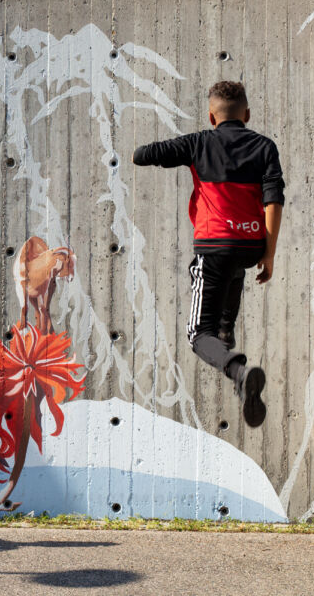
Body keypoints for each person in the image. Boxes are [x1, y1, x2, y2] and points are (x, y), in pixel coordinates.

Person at [132, 81, 284, 428]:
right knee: (233, 269)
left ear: (211, 117)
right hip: (250, 247)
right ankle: (227, 336)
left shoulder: (198, 143)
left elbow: (143, 155)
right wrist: (269, 253)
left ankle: (239, 371)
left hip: (215, 247)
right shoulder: (264, 146)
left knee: (198, 334)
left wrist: (141, 153)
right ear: (247, 115)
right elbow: (273, 200)